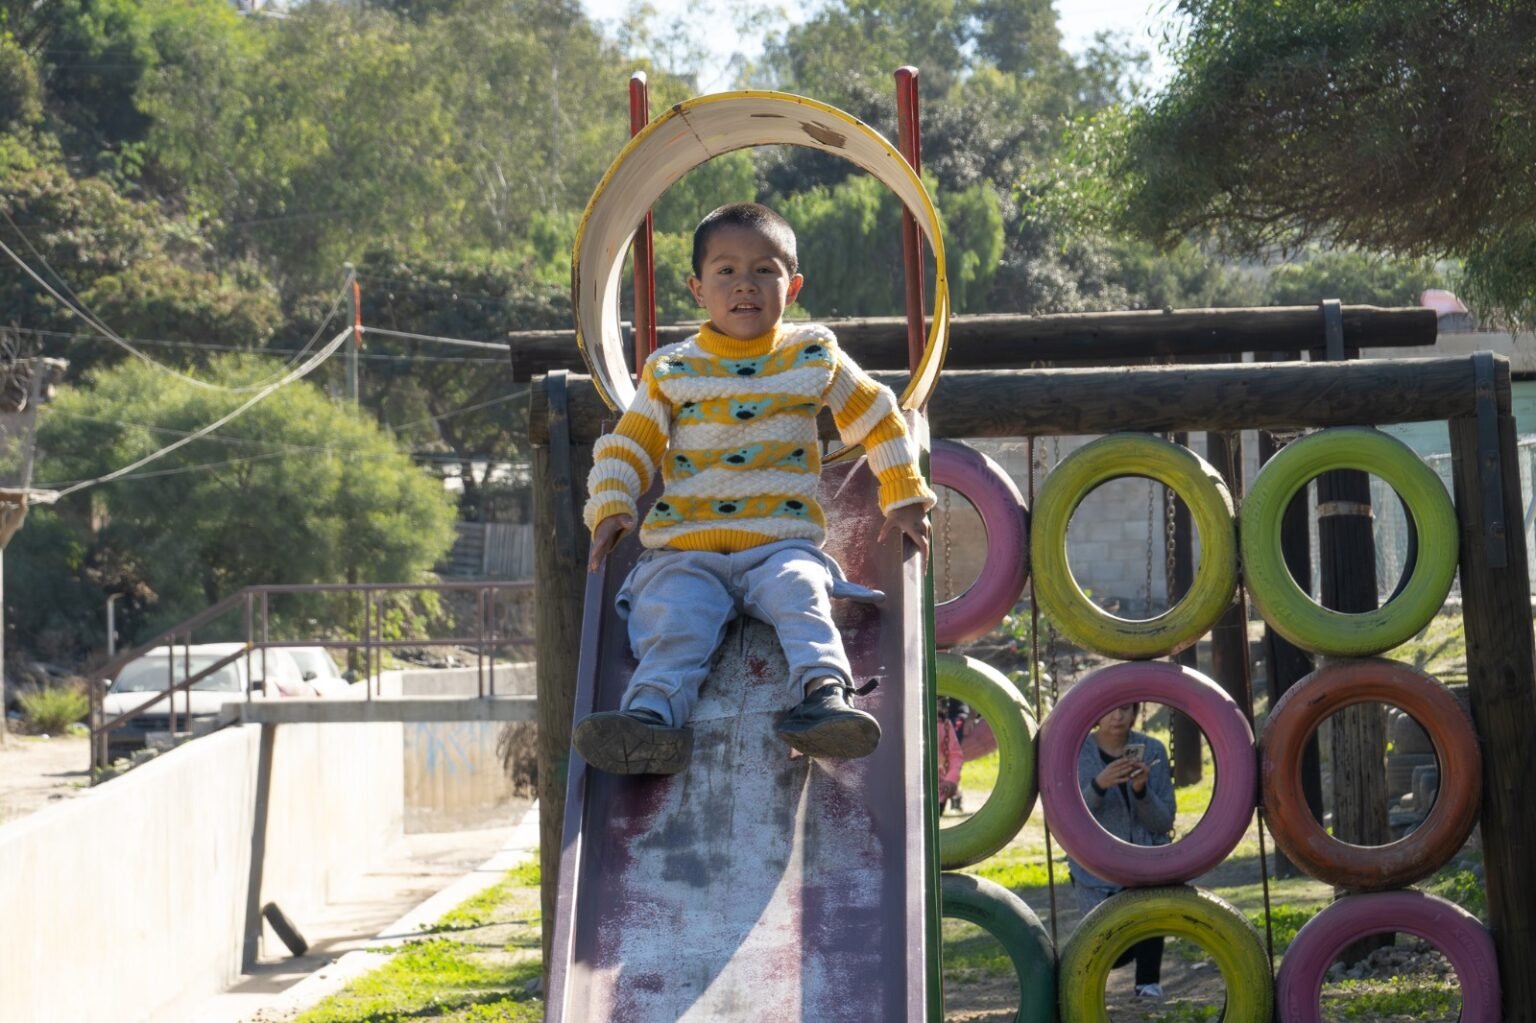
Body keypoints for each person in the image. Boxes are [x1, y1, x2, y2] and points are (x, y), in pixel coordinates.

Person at [572, 202, 935, 776]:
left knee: (803, 594)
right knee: (674, 619)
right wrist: (612, 504)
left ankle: (824, 698)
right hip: (687, 548)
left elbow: (879, 414)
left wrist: (905, 494)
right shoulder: (671, 370)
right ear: (698, 289)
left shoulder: (811, 354)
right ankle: (651, 719)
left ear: (792, 286)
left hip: (778, 544)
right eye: (726, 271)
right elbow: (630, 445)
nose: (745, 284)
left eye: (764, 270)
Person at [1067, 701, 1176, 999]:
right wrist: (1099, 785)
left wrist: (1141, 791)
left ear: (1135, 712)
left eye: (1126, 709)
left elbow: (1163, 821)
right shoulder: (1076, 753)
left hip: (1144, 858)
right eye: (1110, 708)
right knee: (1112, 947)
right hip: (1095, 866)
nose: (1117, 716)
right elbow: (1068, 817)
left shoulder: (1151, 750)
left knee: (1149, 911)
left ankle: (1148, 985)